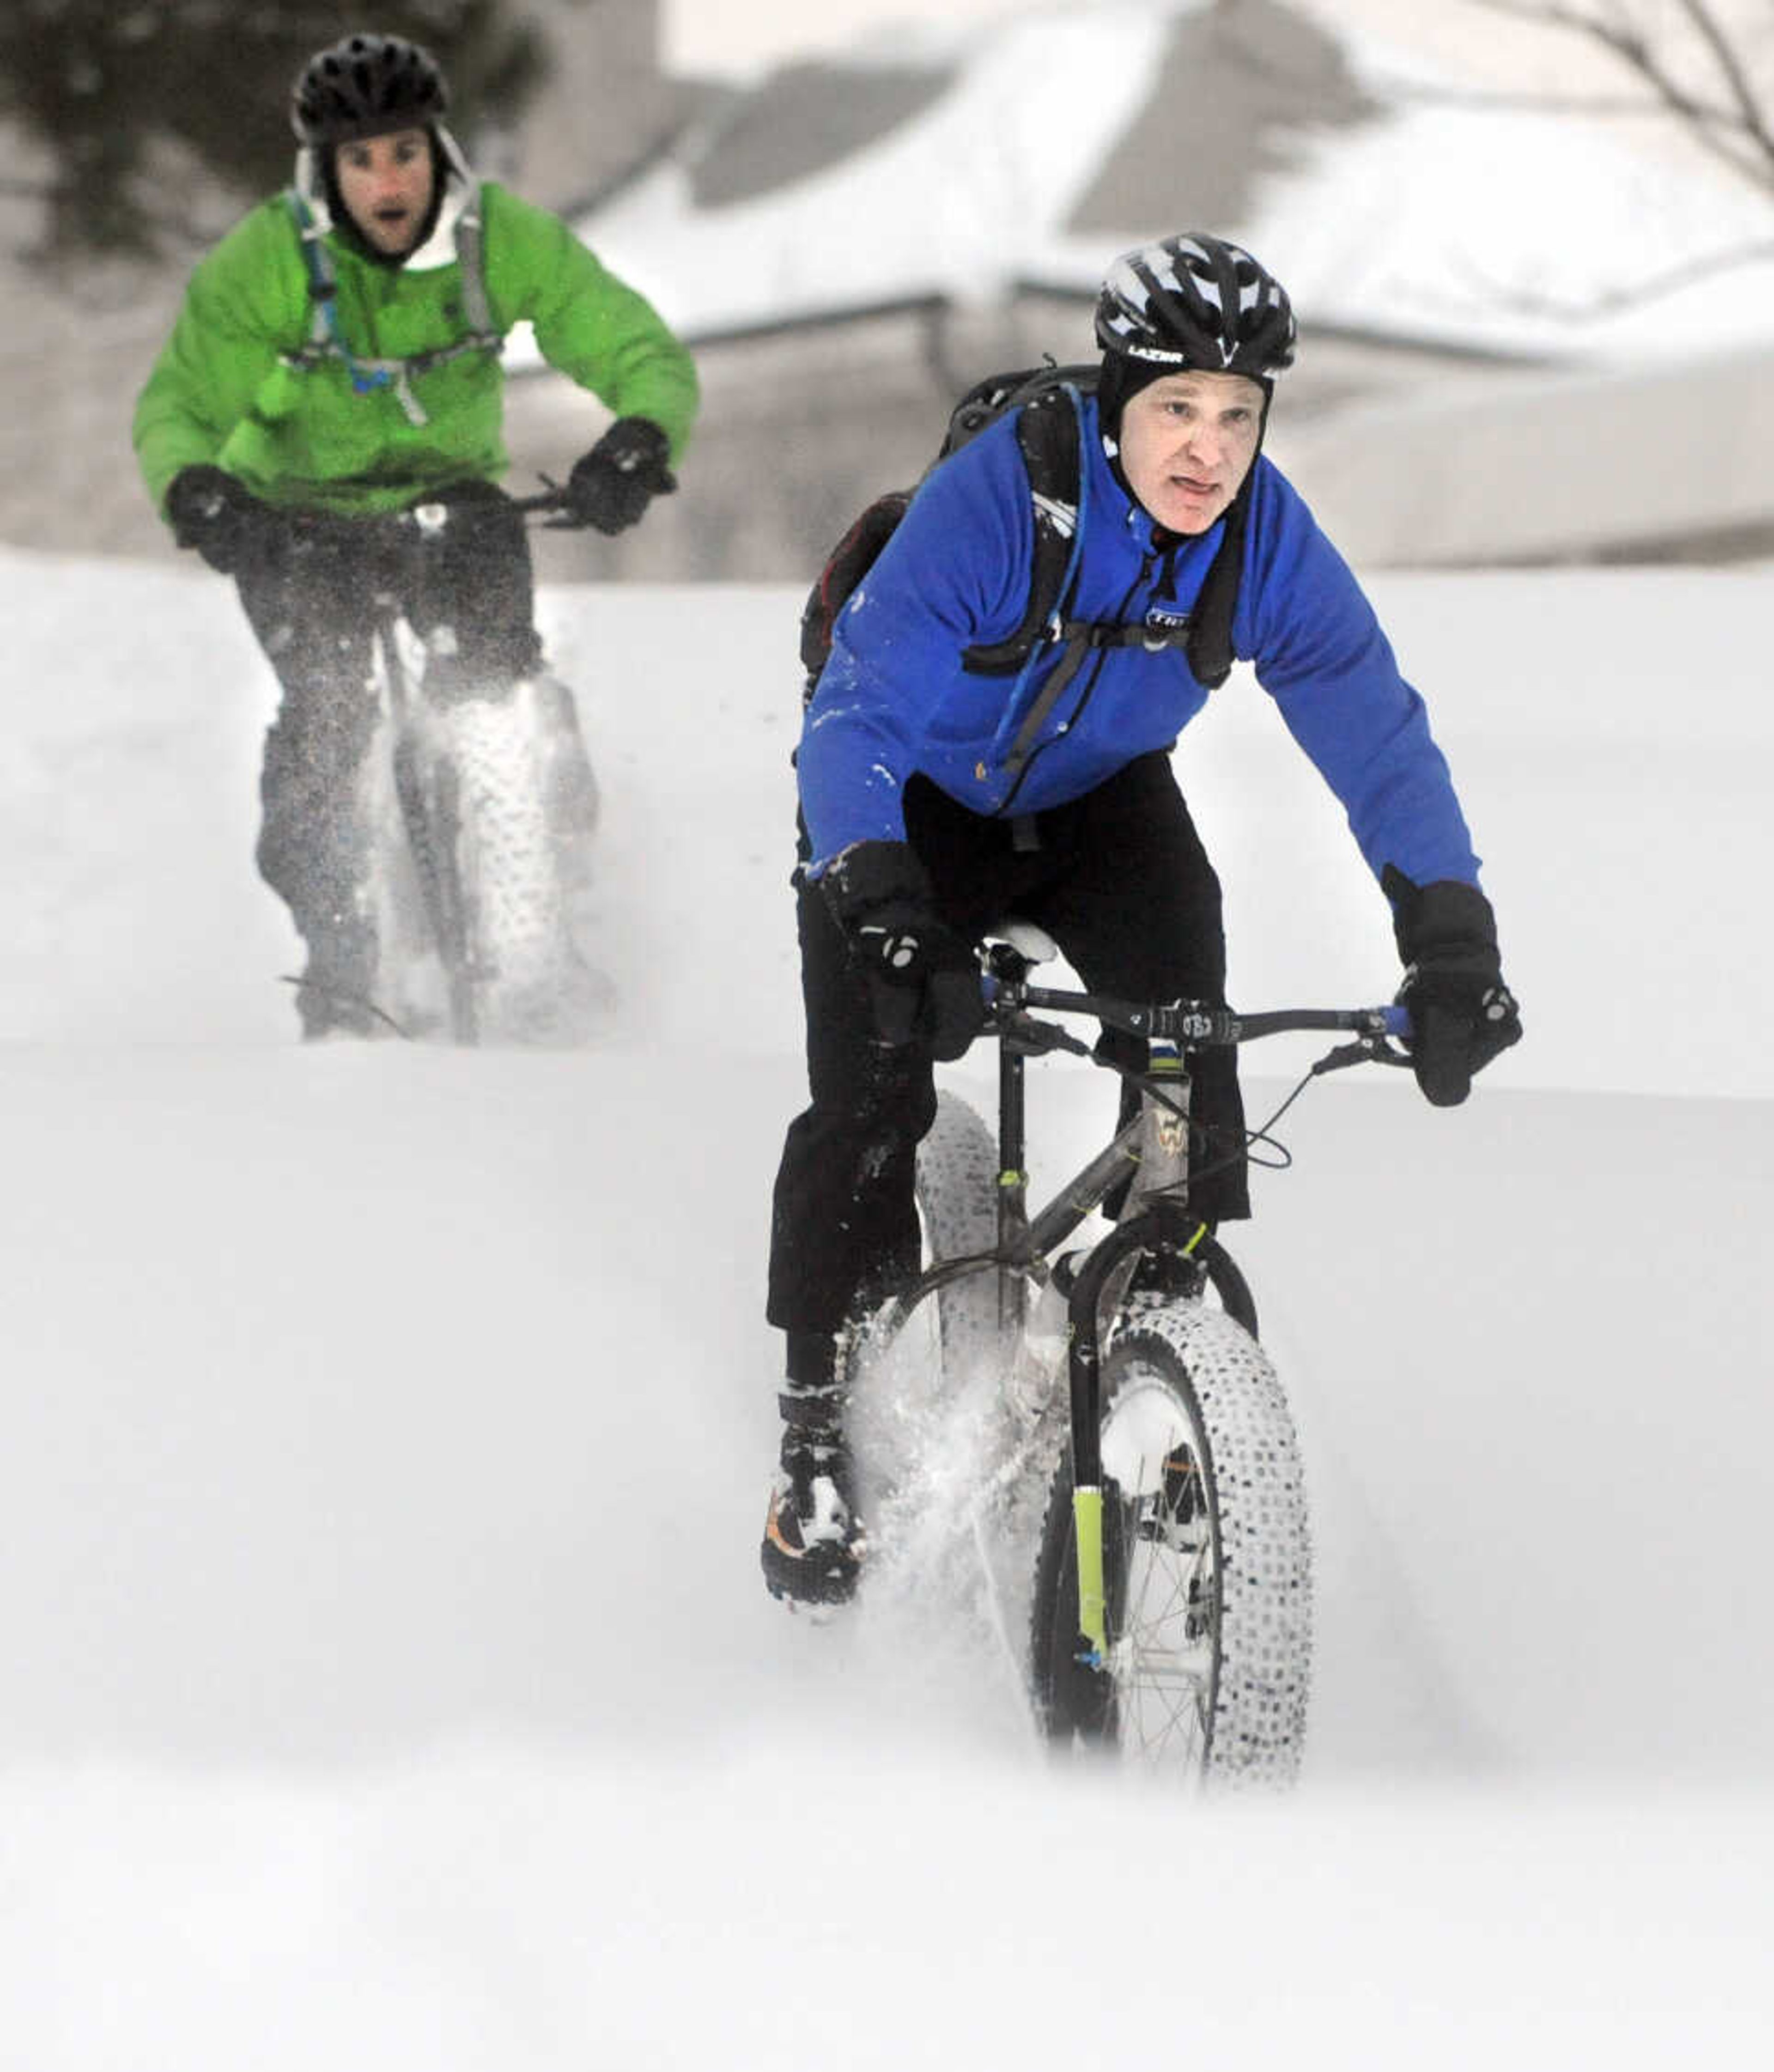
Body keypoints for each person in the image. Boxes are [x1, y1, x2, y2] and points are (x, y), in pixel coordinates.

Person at [761, 231, 1521, 1606]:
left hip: (1100, 805)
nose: (1207, 449)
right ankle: (816, 1417)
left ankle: (1171, 1315)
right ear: (1116, 402)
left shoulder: (1261, 536)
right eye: (1176, 407)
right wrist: (881, 906)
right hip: (913, 810)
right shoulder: (1005, 504)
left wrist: (1451, 936)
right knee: (872, 1103)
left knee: (1188, 1038)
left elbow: (1376, 730)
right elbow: (858, 713)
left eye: (1239, 415)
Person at [133, 31, 698, 1037]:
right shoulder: (270, 259)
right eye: (360, 160)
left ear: (441, 152)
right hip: (297, 518)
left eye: (404, 152)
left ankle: (543, 907)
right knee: (329, 720)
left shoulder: (501, 241)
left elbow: (627, 339)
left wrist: (638, 439)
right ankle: (343, 968)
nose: (386, 180)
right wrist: (200, 490)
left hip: (453, 501)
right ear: (326, 170)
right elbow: (181, 402)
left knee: (500, 690)